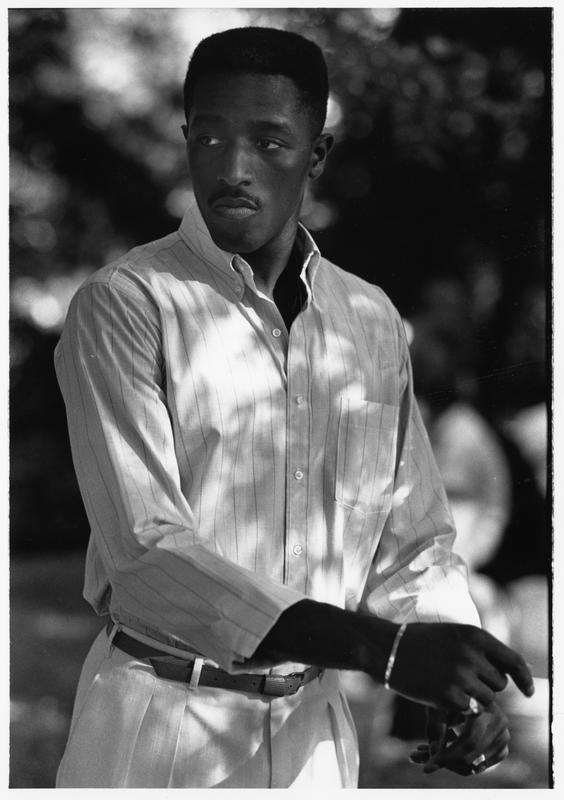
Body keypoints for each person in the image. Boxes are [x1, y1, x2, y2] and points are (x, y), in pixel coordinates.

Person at [53, 26, 534, 789]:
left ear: (316, 155)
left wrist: (454, 675)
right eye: (209, 137)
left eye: (269, 141)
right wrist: (385, 651)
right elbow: (148, 555)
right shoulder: (126, 306)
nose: (232, 168)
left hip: (316, 737)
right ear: (186, 139)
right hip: (160, 727)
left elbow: (412, 539)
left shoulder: (369, 319)